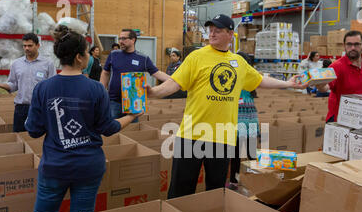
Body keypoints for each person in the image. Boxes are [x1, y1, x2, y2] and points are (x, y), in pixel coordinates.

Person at [146, 14, 308, 199]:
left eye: (218, 30)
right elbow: (175, 83)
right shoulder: (196, 57)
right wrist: (154, 92)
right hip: (192, 134)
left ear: (230, 34)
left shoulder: (239, 62)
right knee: (180, 189)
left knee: (216, 191)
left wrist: (288, 83)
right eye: (211, 29)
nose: (212, 33)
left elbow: (260, 80)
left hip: (223, 136)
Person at [24, 25, 141, 212]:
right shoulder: (96, 89)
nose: (89, 55)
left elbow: (34, 131)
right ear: (79, 57)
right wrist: (131, 115)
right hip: (88, 166)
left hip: (55, 166)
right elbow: (108, 128)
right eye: (87, 52)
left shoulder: (43, 88)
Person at [100, 29, 170, 119]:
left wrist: (175, 80)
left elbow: (157, 73)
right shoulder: (113, 55)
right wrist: (102, 90)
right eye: (120, 38)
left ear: (133, 40)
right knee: (112, 130)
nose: (120, 41)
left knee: (133, 130)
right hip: (114, 102)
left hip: (134, 103)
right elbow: (105, 73)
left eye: (124, 39)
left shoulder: (143, 58)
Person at [0, 33, 56, 132]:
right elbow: (13, 85)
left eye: (30, 45)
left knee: (38, 139)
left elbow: (53, 87)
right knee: (18, 136)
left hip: (40, 107)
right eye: (24, 46)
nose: (26, 48)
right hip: (21, 109)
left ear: (38, 45)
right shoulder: (16, 64)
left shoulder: (48, 63)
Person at [227, 51, 259, 190]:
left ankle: (234, 181)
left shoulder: (237, 78)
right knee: (251, 153)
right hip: (251, 121)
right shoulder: (252, 79)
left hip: (239, 122)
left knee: (235, 155)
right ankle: (257, 180)